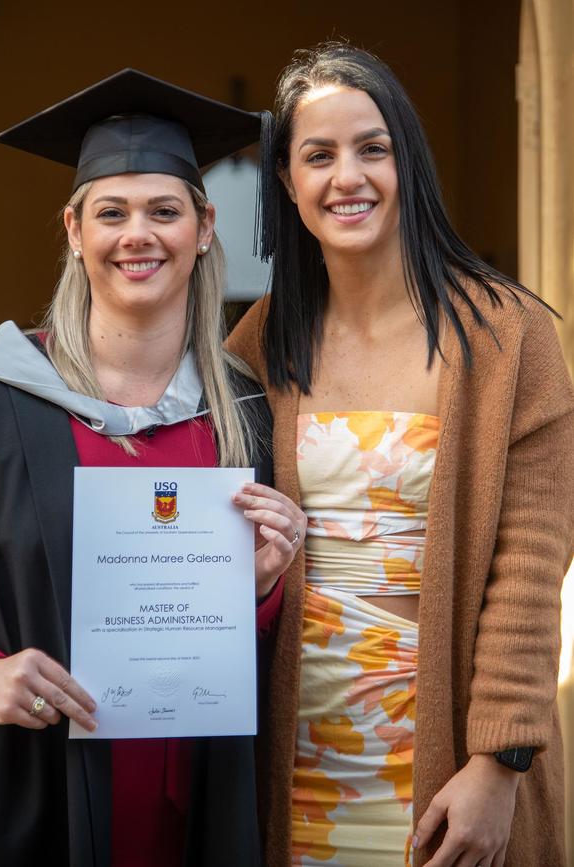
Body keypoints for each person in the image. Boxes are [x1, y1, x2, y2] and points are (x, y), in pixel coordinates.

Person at [0, 69, 306, 867]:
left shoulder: (246, 416)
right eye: (112, 212)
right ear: (73, 228)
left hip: (196, 805)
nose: (139, 234)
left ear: (204, 227)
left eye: (165, 211)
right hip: (20, 798)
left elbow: (253, 640)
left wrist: (264, 585)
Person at [228, 42, 574, 867]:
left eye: (371, 149)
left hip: (448, 748)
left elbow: (531, 567)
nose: (347, 176)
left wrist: (499, 762)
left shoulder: (509, 337)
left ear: (406, 162)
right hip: (298, 747)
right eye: (319, 155)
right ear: (287, 182)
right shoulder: (255, 347)